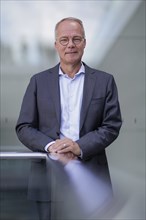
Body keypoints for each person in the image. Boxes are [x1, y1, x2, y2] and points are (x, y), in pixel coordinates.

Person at [16, 17, 122, 220]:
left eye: (76, 39)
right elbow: (24, 127)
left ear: (84, 42)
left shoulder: (104, 81)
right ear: (56, 45)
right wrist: (51, 146)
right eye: (64, 39)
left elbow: (111, 125)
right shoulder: (38, 82)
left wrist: (78, 146)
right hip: (46, 176)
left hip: (91, 173)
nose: (70, 45)